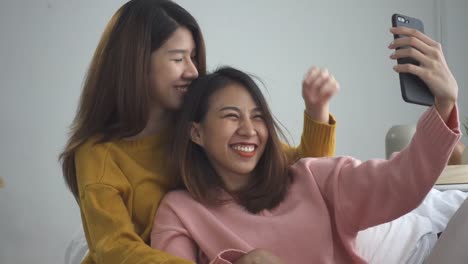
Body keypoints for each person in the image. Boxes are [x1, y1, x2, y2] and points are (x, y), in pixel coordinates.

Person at [150, 26, 461, 263]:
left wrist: (445, 103)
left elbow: (400, 181)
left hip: (433, 240)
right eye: (231, 116)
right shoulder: (180, 210)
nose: (249, 130)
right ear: (196, 133)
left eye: (258, 117)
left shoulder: (311, 176)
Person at [59, 0, 337, 263]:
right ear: (137, 64)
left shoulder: (200, 125)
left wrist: (317, 110)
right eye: (178, 59)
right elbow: (114, 249)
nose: (193, 71)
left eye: (193, 57)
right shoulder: (97, 154)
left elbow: (298, 172)